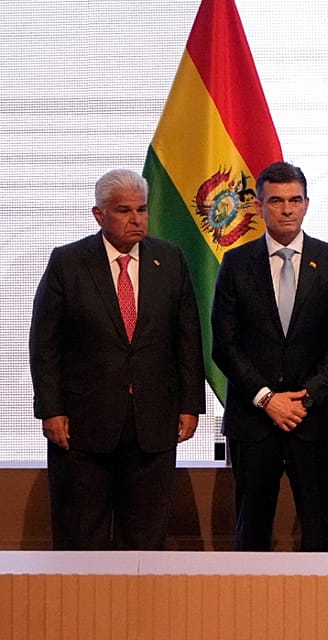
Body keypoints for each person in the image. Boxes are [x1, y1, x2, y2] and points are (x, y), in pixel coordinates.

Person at [29, 169, 204, 549]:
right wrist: (50, 409)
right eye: (124, 210)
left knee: (144, 539)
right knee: (80, 538)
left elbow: (187, 338)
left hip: (152, 424)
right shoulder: (69, 262)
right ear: (99, 214)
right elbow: (44, 344)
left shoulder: (170, 259)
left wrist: (190, 405)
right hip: (82, 427)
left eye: (141, 210)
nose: (136, 219)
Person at [211, 161, 328, 551]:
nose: (287, 209)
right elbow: (224, 344)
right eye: (276, 201)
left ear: (307, 204)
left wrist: (304, 399)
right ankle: (247, 611)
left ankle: (321, 611)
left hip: (312, 420)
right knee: (251, 528)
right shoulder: (236, 264)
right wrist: (266, 399)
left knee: (319, 527)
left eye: (295, 200)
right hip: (253, 421)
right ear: (259, 207)